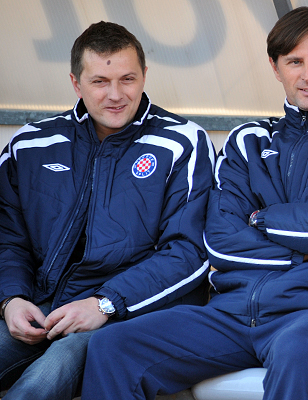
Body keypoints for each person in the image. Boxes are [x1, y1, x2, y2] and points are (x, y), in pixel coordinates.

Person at [80, 7, 308, 400]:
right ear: (276, 68)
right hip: (230, 311)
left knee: (297, 352)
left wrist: (257, 219)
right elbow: (221, 239)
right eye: (294, 62)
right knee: (113, 346)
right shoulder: (248, 140)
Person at [0, 21, 215, 400]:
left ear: (145, 76)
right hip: (38, 305)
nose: (116, 95)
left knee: (40, 385)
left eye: (128, 79)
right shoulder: (31, 143)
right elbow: (7, 236)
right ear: (75, 82)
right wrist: (10, 299)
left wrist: (106, 303)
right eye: (100, 81)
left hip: (126, 313)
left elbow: (188, 251)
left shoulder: (183, 142)